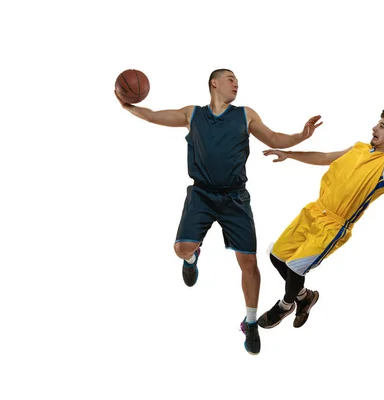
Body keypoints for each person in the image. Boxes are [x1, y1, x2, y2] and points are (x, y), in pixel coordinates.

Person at [114, 69, 323, 354]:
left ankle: (250, 323)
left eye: (237, 81)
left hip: (235, 198)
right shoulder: (192, 114)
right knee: (181, 249)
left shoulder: (245, 115)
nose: (236, 84)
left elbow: (274, 137)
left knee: (248, 262)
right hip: (201, 194)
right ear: (214, 83)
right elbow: (153, 115)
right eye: (230, 79)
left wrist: (302, 135)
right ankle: (192, 258)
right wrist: (128, 106)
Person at [257, 85, 384, 330]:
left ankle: (285, 305)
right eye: (378, 123)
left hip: (334, 226)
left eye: (382, 126)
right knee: (277, 256)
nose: (375, 127)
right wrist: (289, 154)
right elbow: (326, 157)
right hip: (313, 211)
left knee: (295, 267)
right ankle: (305, 297)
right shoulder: (359, 148)